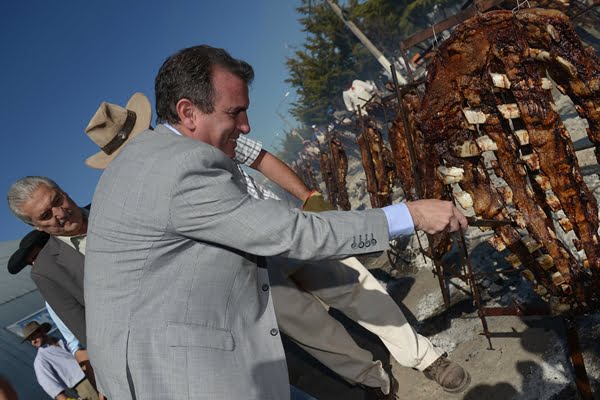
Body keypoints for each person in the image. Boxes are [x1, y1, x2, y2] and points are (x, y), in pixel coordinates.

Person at [84, 44, 467, 400]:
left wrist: (306, 197)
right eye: (235, 113)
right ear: (187, 112)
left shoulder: (149, 165)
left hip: (267, 238)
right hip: (193, 359)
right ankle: (376, 382)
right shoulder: (172, 166)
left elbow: (263, 168)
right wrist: (410, 214)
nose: (246, 125)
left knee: (351, 284)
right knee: (313, 329)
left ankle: (421, 358)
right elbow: (288, 234)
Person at [7, 230, 100, 394]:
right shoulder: (41, 360)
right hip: (91, 378)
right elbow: (77, 348)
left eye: (37, 258)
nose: (37, 266)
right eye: (31, 338)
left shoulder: (58, 342)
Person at [22, 321, 98, 400]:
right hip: (85, 386)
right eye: (29, 340)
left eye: (33, 337)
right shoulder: (40, 360)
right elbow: (49, 385)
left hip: (97, 372)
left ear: (41, 330)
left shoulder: (63, 338)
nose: (33, 342)